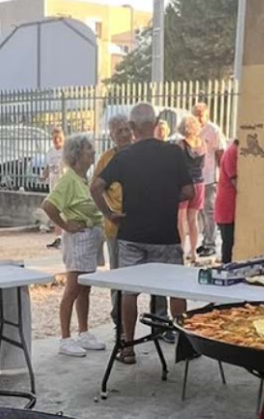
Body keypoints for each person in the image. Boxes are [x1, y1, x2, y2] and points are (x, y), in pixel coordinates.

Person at [90, 101, 193, 363]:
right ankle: (184, 344)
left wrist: (109, 213)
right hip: (166, 235)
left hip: (131, 234)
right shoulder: (173, 153)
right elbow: (189, 191)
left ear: (133, 127)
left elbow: (96, 186)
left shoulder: (123, 157)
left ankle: (127, 346)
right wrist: (167, 197)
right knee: (176, 290)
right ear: (157, 123)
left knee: (128, 291)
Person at [41, 132, 106, 357]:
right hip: (78, 239)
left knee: (85, 288)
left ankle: (84, 331)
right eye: (89, 149)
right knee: (72, 289)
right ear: (78, 154)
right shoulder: (69, 180)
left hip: (90, 238)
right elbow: (48, 206)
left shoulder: (83, 179)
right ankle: (65, 337)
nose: (93, 152)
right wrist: (65, 225)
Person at [91, 114, 132, 268]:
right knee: (117, 273)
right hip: (116, 224)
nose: (124, 135)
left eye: (127, 130)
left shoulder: (141, 153)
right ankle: (117, 294)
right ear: (111, 136)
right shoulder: (106, 158)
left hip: (140, 224)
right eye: (119, 131)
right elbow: (95, 187)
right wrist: (108, 213)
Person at [192, 100, 226, 257]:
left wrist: (221, 175)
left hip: (210, 178)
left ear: (207, 115)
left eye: (201, 116)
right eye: (196, 115)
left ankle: (211, 243)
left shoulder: (213, 131)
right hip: (196, 178)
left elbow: (220, 154)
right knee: (199, 213)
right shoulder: (193, 130)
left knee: (209, 212)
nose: (198, 119)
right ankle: (204, 241)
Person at [176, 115, 205, 263]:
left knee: (181, 219)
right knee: (193, 219)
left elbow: (177, 165)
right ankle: (193, 251)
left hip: (184, 184)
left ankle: (181, 249)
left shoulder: (181, 144)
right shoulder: (202, 143)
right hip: (199, 183)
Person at [214, 136, 238, 263]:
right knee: (228, 243)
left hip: (231, 206)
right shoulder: (233, 152)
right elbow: (235, 181)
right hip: (227, 206)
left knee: (230, 242)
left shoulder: (233, 151)